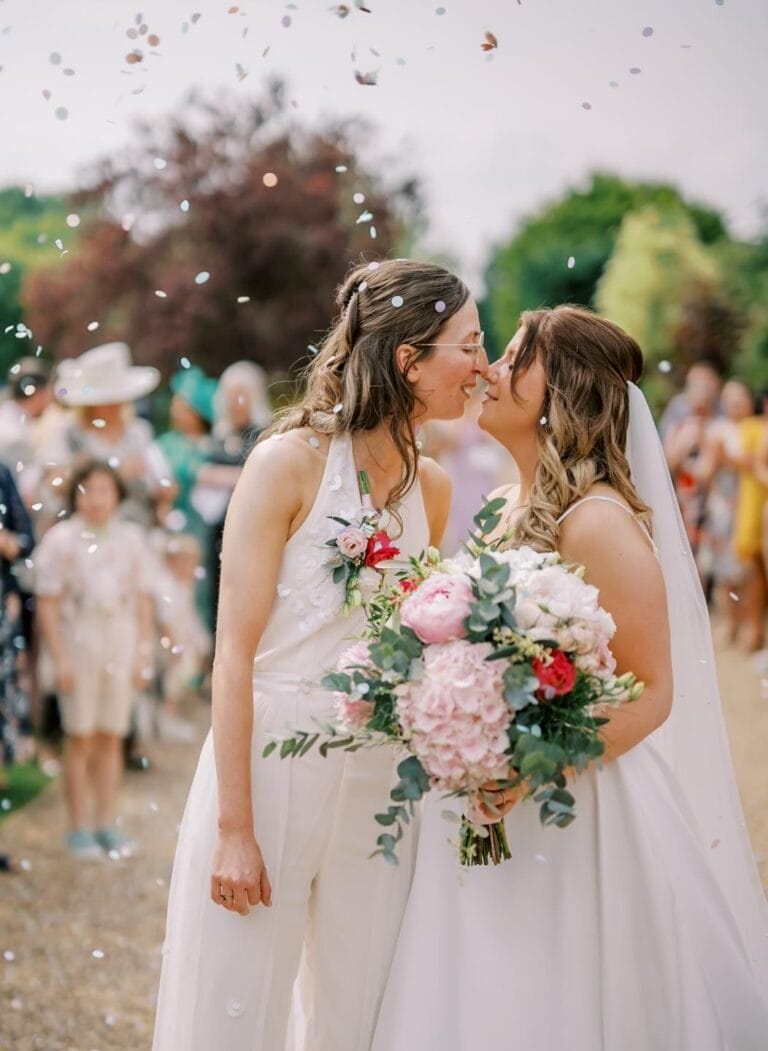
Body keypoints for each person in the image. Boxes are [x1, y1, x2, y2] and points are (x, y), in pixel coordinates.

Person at [373, 307, 768, 1050]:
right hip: (494, 798)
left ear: (563, 391)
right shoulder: (499, 509)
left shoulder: (596, 521)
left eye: (515, 357)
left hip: (575, 806)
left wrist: (531, 764)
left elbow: (654, 691)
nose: (489, 368)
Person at [152, 259, 485, 1051]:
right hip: (270, 759)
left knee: (359, 1004)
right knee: (237, 1003)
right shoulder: (287, 463)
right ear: (409, 359)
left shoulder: (430, 488)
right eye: (468, 345)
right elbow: (233, 655)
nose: (483, 364)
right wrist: (236, 826)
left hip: (377, 773)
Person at [34, 460, 155, 859]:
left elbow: (142, 601)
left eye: (105, 489)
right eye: (88, 490)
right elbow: (48, 604)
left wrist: (142, 653)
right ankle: (78, 825)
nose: (97, 499)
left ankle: (106, 823)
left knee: (111, 734)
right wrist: (59, 658)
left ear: (117, 494)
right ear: (76, 495)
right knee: (79, 734)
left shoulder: (132, 539)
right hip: (78, 636)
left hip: (119, 636)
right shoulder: (61, 540)